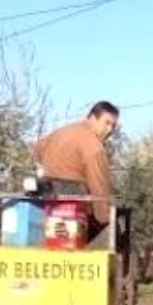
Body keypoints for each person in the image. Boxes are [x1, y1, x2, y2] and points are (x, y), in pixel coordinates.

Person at [32, 101, 120, 243]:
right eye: (107, 123)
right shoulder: (94, 147)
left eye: (113, 126)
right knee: (115, 235)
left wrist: (52, 165)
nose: (110, 130)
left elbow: (37, 149)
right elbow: (99, 186)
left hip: (47, 202)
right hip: (74, 207)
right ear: (92, 118)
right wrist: (106, 220)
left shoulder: (64, 131)